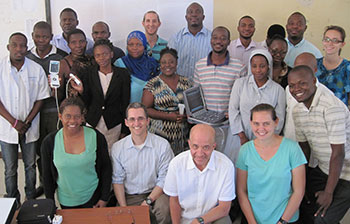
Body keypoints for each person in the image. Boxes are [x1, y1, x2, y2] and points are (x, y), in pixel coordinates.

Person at [288, 65, 350, 223]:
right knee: (300, 203)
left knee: (322, 219)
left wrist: (328, 192)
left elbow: (338, 153)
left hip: (346, 173)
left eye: (302, 83)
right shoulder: (297, 111)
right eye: (292, 85)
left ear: (314, 81)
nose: (297, 89)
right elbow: (304, 149)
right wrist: (300, 180)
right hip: (324, 168)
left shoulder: (331, 107)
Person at [0, 32, 50, 207]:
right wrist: (14, 123)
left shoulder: (35, 69)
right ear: (8, 47)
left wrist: (27, 122)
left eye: (22, 45)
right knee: (10, 169)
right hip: (7, 128)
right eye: (15, 45)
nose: (19, 49)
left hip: (30, 126)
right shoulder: (0, 68)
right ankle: (12, 200)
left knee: (30, 165)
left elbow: (41, 98)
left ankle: (30, 198)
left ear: (27, 47)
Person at [236, 103, 306, 223]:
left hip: (285, 219)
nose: (261, 128)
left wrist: (282, 221)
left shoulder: (292, 148)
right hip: (253, 219)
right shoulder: (245, 151)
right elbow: (241, 191)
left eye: (266, 123)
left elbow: (298, 191)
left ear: (276, 122)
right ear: (251, 123)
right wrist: (252, 222)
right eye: (256, 123)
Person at [41, 97, 112, 209]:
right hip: (66, 201)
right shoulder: (49, 142)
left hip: (93, 198)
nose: (73, 121)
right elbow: (47, 176)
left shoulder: (96, 137)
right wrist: (50, 204)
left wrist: (104, 198)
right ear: (60, 117)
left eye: (77, 116)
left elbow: (106, 168)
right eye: (68, 116)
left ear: (82, 118)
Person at [111, 102, 174, 224]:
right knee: (122, 218)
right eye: (132, 119)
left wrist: (148, 201)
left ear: (147, 121)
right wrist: (124, 208)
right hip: (130, 196)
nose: (136, 123)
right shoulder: (117, 148)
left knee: (165, 210)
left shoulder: (162, 145)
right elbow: (117, 181)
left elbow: (164, 179)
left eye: (140, 119)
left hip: (156, 193)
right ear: (126, 122)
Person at [26, 21, 67, 198]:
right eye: (38, 36)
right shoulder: (26, 57)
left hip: (53, 110)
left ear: (51, 37)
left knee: (57, 148)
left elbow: (65, 86)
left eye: (45, 36)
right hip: (32, 112)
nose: (41, 40)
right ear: (33, 36)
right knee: (39, 150)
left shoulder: (61, 57)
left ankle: (60, 181)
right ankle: (44, 183)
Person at [163, 124, 235, 224]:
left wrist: (200, 221)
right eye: (195, 146)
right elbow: (174, 201)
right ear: (189, 144)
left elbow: (224, 208)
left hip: (212, 218)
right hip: (184, 218)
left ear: (214, 146)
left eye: (206, 147)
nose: (200, 153)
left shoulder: (226, 166)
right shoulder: (176, 164)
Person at [194, 26, 245, 154]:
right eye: (215, 38)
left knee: (226, 161)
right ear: (210, 40)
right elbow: (196, 94)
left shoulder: (239, 67)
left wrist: (232, 113)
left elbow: (242, 98)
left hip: (228, 127)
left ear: (229, 42)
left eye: (223, 38)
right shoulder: (200, 65)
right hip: (204, 125)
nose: (218, 41)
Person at [227, 49, 285, 163]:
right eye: (254, 66)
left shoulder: (278, 90)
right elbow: (233, 110)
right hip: (239, 138)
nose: (258, 70)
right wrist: (242, 136)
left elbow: (279, 118)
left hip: (266, 140)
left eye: (262, 66)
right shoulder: (240, 84)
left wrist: (264, 139)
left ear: (268, 66)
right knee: (239, 168)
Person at [73, 39, 130, 150]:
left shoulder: (122, 74)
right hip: (93, 121)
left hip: (114, 123)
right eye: (98, 55)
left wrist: (124, 129)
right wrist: (81, 91)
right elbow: (87, 101)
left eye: (105, 54)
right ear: (94, 57)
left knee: (112, 154)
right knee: (93, 152)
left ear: (111, 54)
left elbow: (125, 102)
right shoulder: (89, 73)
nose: (101, 58)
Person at [142, 48, 192, 155]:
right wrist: (169, 116)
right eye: (163, 62)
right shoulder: (152, 84)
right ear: (159, 64)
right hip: (159, 133)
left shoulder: (186, 82)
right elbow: (146, 109)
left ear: (176, 63)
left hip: (182, 135)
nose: (167, 65)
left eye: (171, 62)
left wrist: (186, 116)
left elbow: (193, 106)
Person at [168, 2, 211, 80]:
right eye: (190, 12)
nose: (194, 14)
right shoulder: (175, 39)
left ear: (203, 17)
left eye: (197, 12)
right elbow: (169, 64)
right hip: (180, 85)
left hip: (204, 85)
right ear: (186, 17)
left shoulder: (212, 38)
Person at [114, 31, 159, 103]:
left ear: (145, 46)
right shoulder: (119, 63)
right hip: (128, 110)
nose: (134, 48)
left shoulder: (153, 64)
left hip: (151, 110)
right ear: (126, 46)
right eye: (131, 44)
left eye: (139, 44)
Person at [315, 25, 350, 106]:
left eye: (335, 40)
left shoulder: (347, 67)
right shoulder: (315, 64)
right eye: (327, 39)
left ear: (342, 44)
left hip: (339, 115)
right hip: (316, 114)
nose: (330, 43)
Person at [57, 29, 93, 98]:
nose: (78, 45)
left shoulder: (92, 60)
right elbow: (59, 94)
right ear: (68, 45)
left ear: (86, 42)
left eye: (81, 41)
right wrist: (54, 88)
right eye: (73, 42)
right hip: (72, 106)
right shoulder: (63, 64)